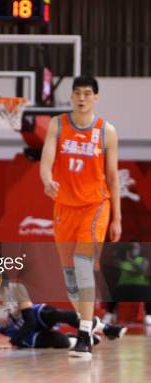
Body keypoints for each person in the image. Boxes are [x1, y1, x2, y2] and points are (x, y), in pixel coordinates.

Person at [40, 76, 121, 359]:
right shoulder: (58, 124)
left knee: (83, 264)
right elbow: (46, 162)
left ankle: (84, 334)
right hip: (64, 208)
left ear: (96, 98)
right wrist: (47, 180)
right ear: (71, 97)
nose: (82, 98)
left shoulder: (106, 131)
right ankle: (93, 323)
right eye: (77, 93)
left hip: (96, 206)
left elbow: (112, 177)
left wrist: (117, 218)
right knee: (70, 279)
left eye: (87, 93)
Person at [0, 280, 126, 350]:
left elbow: (29, 319)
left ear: (8, 288)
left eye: (4, 293)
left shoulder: (17, 289)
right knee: (59, 342)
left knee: (55, 314)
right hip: (23, 334)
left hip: (32, 319)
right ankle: (84, 339)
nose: (2, 298)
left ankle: (108, 328)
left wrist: (12, 343)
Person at [103, 242, 151, 325]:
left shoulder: (143, 260)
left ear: (140, 249)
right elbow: (113, 263)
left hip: (140, 287)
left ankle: (148, 316)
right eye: (132, 248)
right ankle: (109, 315)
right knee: (112, 293)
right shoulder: (121, 261)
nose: (134, 250)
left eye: (136, 248)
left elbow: (141, 270)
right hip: (124, 286)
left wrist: (130, 260)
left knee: (149, 293)